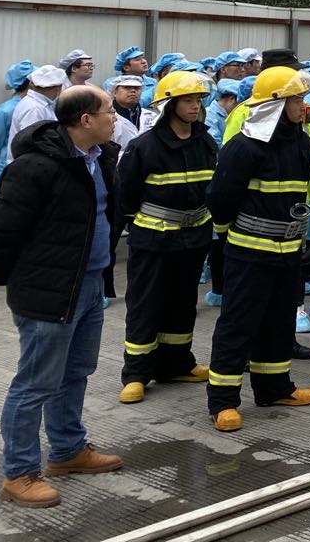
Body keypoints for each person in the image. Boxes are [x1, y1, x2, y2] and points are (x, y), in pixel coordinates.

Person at [0, 85, 124, 507]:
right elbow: (1, 232)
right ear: (85, 120)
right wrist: (22, 282)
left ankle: (67, 450)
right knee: (35, 383)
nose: (114, 118)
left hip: (90, 284)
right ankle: (20, 472)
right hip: (49, 291)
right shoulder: (35, 167)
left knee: (76, 372)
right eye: (108, 111)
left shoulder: (101, 158)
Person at [204, 67, 310, 431]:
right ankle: (223, 401)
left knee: (279, 322)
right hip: (249, 254)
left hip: (288, 252)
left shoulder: (302, 144)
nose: (303, 106)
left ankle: (274, 388)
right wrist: (231, 235)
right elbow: (220, 200)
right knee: (238, 325)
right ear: (275, 105)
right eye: (296, 100)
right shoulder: (243, 147)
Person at [116, 72, 218, 406]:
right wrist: (141, 224)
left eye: (198, 100)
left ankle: (176, 365)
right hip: (154, 241)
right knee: (146, 305)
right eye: (187, 100)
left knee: (183, 303)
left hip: (194, 238)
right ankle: (136, 373)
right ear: (169, 106)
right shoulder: (144, 146)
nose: (195, 106)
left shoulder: (205, 142)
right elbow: (126, 195)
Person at [5, 66, 68, 166]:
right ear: (58, 88)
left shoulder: (39, 104)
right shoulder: (35, 109)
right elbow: (31, 143)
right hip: (29, 167)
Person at [0, 61, 34, 193]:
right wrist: (2, 161)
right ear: (30, 83)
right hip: (7, 168)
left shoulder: (36, 106)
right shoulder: (5, 111)